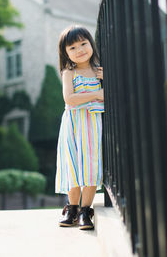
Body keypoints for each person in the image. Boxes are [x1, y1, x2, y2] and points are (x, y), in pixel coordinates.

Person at [55, 25, 104, 230]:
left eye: (83, 43)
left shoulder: (100, 71)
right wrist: (95, 95)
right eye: (72, 47)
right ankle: (72, 208)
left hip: (93, 124)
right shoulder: (69, 72)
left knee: (91, 165)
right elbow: (70, 98)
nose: (80, 49)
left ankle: (86, 211)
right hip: (74, 124)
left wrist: (105, 82)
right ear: (65, 53)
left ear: (91, 44)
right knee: (73, 166)